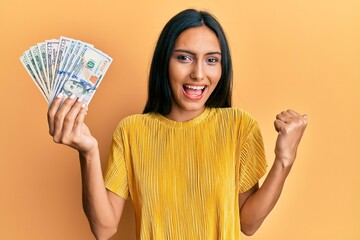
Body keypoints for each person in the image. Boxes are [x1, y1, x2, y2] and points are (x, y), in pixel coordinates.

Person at [47, 9, 308, 240]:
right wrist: (88, 152)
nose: (198, 73)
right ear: (165, 63)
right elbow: (104, 229)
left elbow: (248, 224)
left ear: (222, 67)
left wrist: (284, 160)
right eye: (184, 58)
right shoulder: (131, 131)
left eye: (211, 60)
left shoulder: (238, 126)